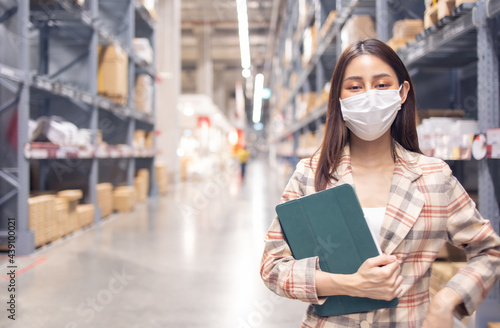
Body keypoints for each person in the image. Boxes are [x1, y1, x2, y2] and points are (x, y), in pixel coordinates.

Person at [260, 39, 500, 327]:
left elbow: (489, 250)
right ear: (339, 98)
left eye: (382, 84)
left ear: (402, 93)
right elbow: (273, 267)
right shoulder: (311, 174)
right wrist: (350, 284)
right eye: (355, 87)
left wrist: (446, 300)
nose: (369, 96)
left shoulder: (434, 177)